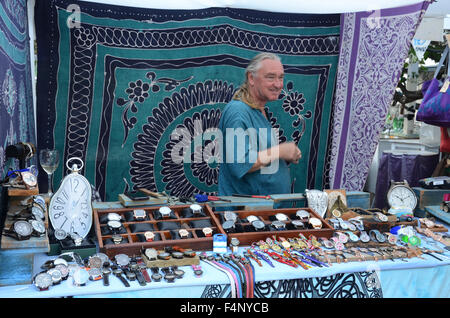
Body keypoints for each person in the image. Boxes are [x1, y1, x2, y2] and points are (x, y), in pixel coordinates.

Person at [218, 52, 302, 199]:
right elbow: (240, 163)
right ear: (251, 78)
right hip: (245, 213)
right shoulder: (238, 111)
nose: (278, 84)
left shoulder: (258, 109)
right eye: (270, 77)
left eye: (281, 77)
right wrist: (280, 151)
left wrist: (285, 155)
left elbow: (258, 154)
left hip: (264, 210)